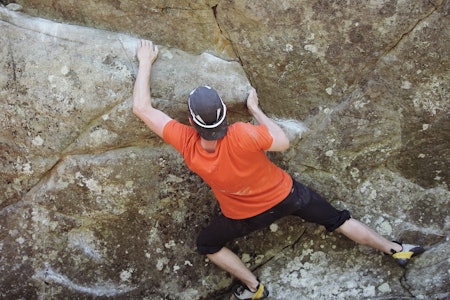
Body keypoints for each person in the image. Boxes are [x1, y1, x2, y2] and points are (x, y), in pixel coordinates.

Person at [132, 39, 425, 300]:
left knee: (207, 244)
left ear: (193, 123)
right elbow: (282, 142)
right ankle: (395, 249)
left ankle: (253, 287)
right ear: (224, 113)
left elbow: (142, 109)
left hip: (243, 217)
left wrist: (145, 61)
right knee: (338, 219)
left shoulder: (186, 143)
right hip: (289, 196)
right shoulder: (243, 133)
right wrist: (257, 111)